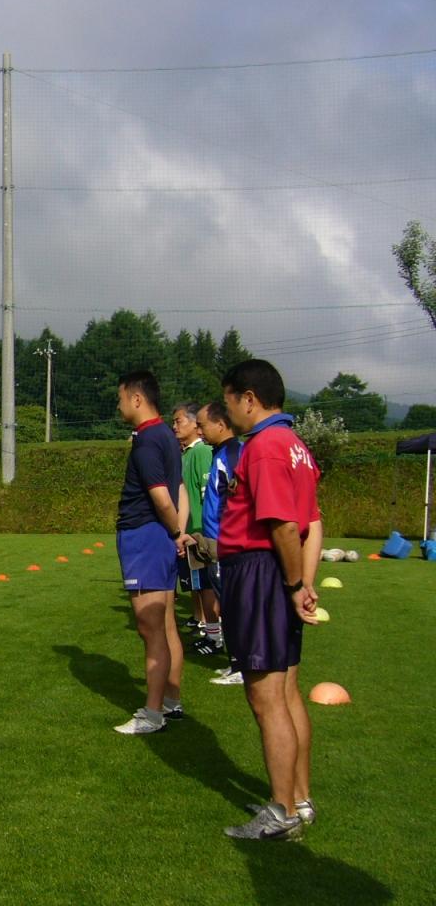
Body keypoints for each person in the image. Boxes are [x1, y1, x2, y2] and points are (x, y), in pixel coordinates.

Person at [217, 359, 322, 841]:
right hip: (279, 573)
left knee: (266, 697)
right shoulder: (297, 446)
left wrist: (296, 584)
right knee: (286, 691)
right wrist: (303, 582)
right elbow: (313, 524)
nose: (227, 413)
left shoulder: (263, 447)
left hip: (260, 573)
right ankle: (299, 800)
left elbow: (283, 524)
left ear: (249, 399)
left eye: (229, 402)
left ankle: (281, 812)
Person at [113, 371, 193, 735]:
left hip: (144, 538)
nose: (119, 406)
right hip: (158, 537)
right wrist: (178, 531)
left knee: (151, 630)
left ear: (136, 399)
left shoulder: (147, 440)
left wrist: (175, 532)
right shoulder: (168, 437)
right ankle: (172, 701)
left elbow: (162, 497)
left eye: (121, 398)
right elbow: (180, 490)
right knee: (166, 624)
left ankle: (153, 713)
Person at [197, 402, 245, 686]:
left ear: (220, 424)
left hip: (226, 543)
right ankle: (236, 662)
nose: (200, 431)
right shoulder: (220, 453)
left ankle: (243, 665)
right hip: (216, 540)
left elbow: (238, 500)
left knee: (233, 603)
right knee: (226, 602)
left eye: (202, 425)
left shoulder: (233, 454)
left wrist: (228, 537)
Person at [172, 402, 222, 654]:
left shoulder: (201, 452)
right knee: (196, 583)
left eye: (179, 421)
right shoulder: (187, 453)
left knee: (206, 585)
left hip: (200, 532)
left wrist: (200, 531)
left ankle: (214, 634)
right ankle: (207, 628)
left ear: (194, 424)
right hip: (190, 531)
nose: (174, 426)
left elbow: (206, 494)